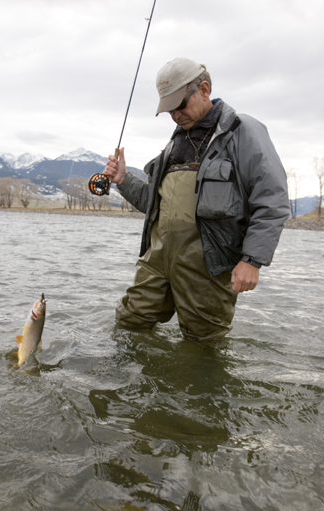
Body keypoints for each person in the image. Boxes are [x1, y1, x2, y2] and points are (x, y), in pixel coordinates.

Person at [103, 58, 289, 341]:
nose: (175, 116)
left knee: (204, 344)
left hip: (208, 269)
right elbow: (156, 203)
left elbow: (272, 200)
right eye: (169, 110)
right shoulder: (174, 143)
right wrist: (123, 180)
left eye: (180, 106)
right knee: (129, 325)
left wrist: (252, 260)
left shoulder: (245, 132)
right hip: (156, 262)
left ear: (204, 89)